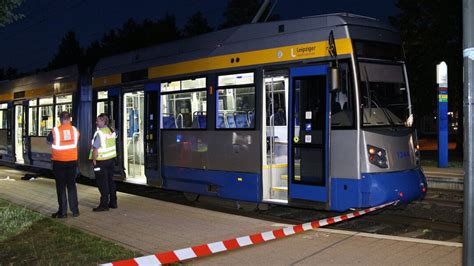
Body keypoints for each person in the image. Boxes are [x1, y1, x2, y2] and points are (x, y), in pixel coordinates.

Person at [47, 111, 80, 218]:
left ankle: (63, 212)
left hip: (59, 162)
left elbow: (48, 140)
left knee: (61, 187)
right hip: (72, 161)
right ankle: (75, 211)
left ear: (60, 119)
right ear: (70, 119)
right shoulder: (75, 130)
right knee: (71, 185)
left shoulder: (55, 131)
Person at [90, 113, 117, 212]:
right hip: (111, 160)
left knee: (102, 183)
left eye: (97, 120)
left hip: (101, 161)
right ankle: (113, 202)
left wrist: (94, 160)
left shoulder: (100, 133)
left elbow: (96, 148)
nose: (96, 122)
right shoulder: (111, 131)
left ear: (103, 121)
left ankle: (104, 204)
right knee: (110, 181)